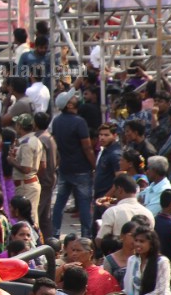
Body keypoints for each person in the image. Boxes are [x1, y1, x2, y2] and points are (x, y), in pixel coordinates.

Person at [50, 92, 95, 240]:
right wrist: (94, 165)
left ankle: (54, 233)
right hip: (81, 169)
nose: (76, 98)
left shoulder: (56, 122)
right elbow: (87, 147)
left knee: (60, 203)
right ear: (69, 105)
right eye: (72, 98)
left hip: (64, 168)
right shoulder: (79, 122)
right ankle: (86, 236)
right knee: (84, 203)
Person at [10, 114, 44, 228]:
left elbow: (26, 168)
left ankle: (33, 243)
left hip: (26, 184)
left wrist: (12, 161)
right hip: (31, 182)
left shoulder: (26, 143)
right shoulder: (36, 140)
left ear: (20, 126)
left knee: (28, 219)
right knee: (31, 217)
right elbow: (43, 165)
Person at [97, 174, 153, 239]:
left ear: (120, 190)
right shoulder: (149, 213)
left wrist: (99, 230)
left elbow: (101, 240)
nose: (114, 194)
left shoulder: (112, 212)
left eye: (114, 190)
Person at [92, 123, 123, 205]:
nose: (102, 138)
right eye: (100, 135)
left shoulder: (115, 154)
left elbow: (119, 180)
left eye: (106, 135)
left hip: (107, 198)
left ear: (114, 136)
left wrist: (105, 198)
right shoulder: (105, 150)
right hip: (99, 194)